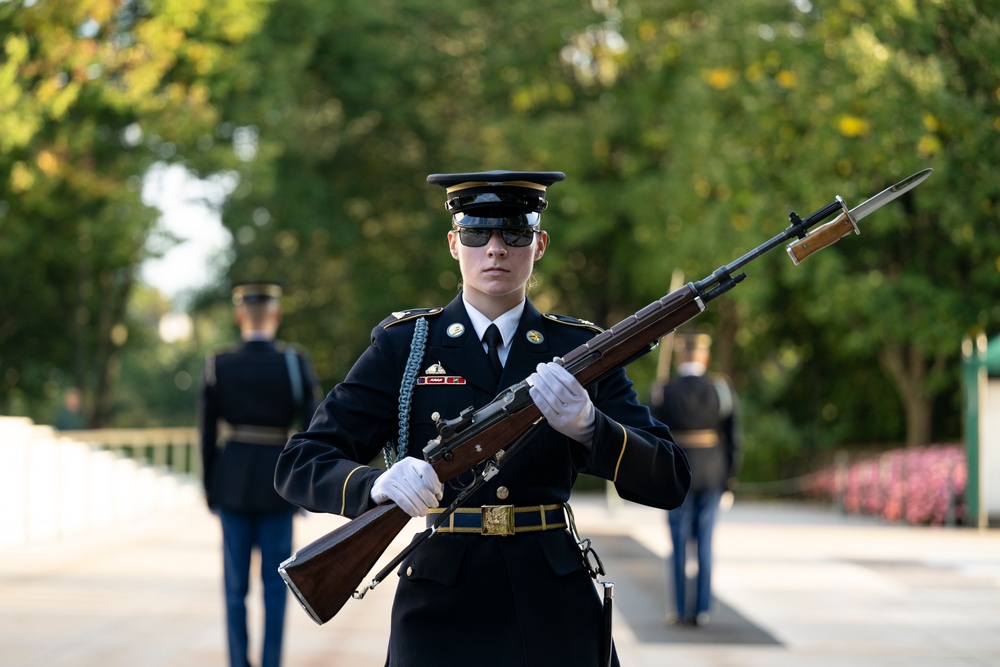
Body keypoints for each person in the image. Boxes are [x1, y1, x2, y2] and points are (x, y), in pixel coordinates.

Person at [274, 170, 691, 666]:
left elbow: (671, 477)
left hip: (554, 605)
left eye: (514, 233)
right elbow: (300, 462)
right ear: (454, 244)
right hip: (440, 608)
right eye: (477, 233)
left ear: (539, 244)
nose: (495, 249)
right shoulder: (407, 346)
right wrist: (377, 485)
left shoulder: (579, 349)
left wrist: (591, 429)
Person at [199, 281, 319, 667]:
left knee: (235, 588)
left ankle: (238, 662)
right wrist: (305, 488)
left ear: (239, 316)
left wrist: (209, 488)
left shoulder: (220, 363)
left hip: (231, 482)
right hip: (278, 483)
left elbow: (205, 434)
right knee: (274, 586)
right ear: (276, 315)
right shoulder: (294, 362)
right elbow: (314, 428)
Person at [651, 332, 741, 627]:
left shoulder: (666, 390)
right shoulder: (721, 390)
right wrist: (729, 481)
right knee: (705, 544)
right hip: (713, 475)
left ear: (680, 357)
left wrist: (656, 400)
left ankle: (678, 609)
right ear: (706, 357)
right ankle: (701, 609)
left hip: (678, 474)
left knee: (677, 542)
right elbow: (732, 440)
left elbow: (653, 435)